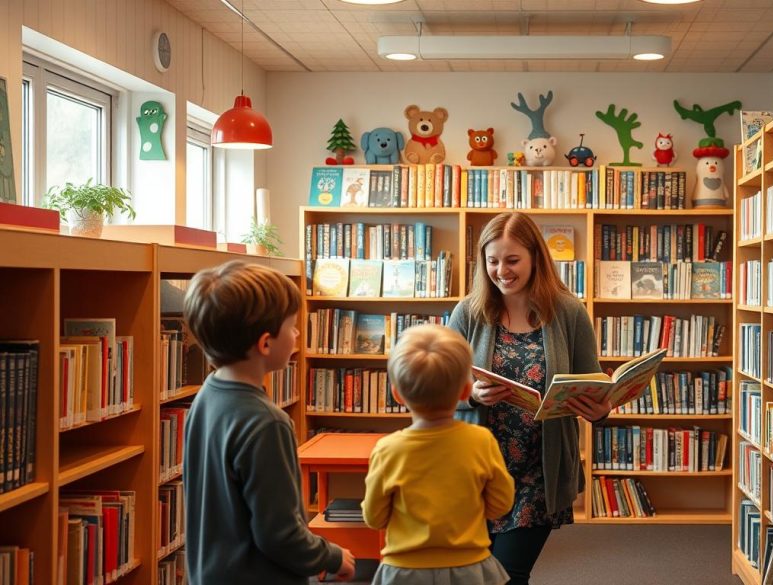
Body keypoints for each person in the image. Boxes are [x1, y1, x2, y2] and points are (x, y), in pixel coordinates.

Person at [448, 211, 610, 585]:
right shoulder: (468, 313)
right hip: (480, 470)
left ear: (536, 257)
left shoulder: (569, 312)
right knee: (475, 574)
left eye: (512, 260)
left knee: (508, 575)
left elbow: (591, 381)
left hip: (540, 471)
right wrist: (471, 394)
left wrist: (601, 409)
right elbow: (440, 386)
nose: (501, 270)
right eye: (492, 261)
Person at [182, 261, 356, 584]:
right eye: (292, 326)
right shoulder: (268, 424)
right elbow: (280, 534)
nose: (298, 333)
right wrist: (330, 556)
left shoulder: (206, 397)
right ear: (265, 344)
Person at [362, 323, 514, 585]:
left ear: (397, 394)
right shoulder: (481, 442)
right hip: (470, 568)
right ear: (466, 392)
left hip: (404, 571)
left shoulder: (388, 450)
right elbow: (501, 505)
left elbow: (374, 517)